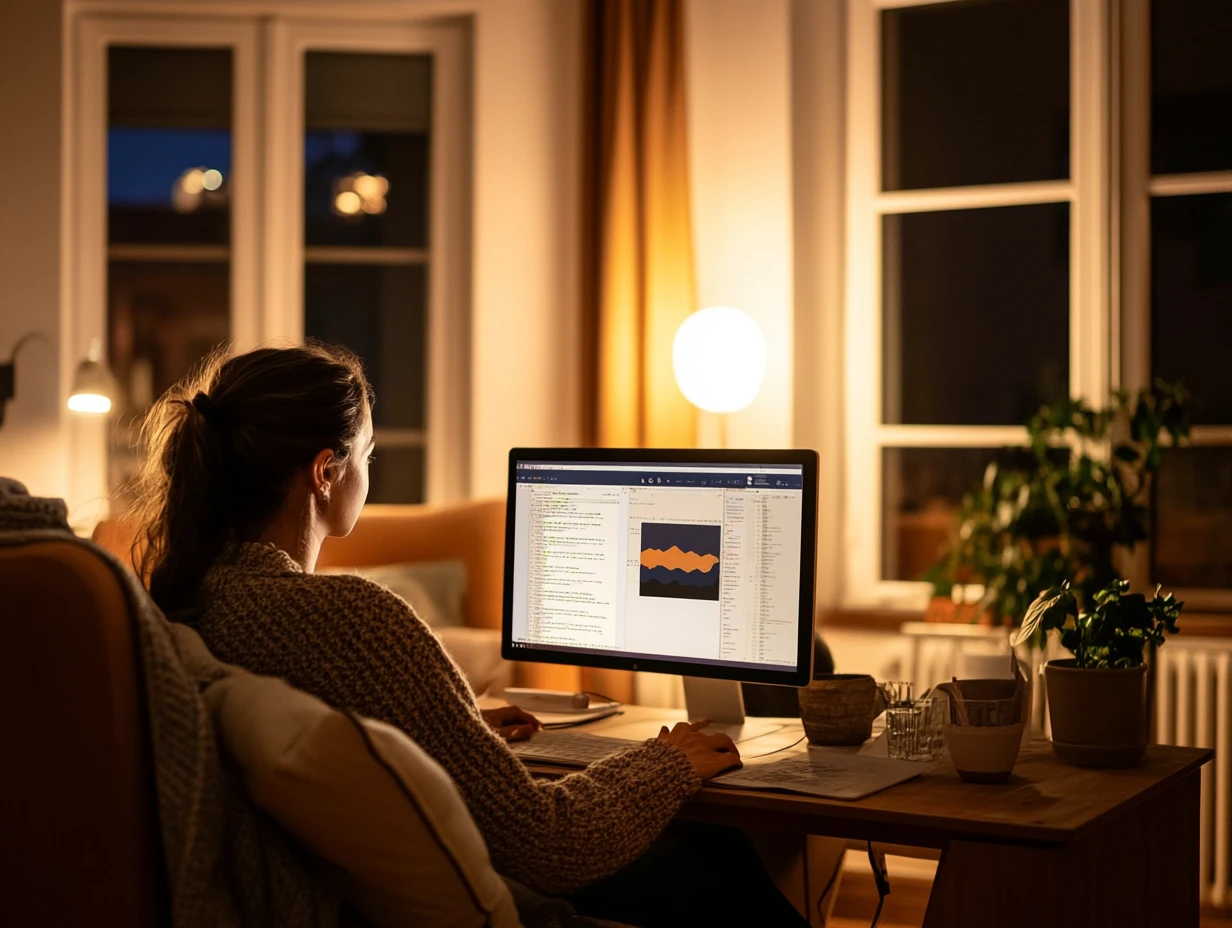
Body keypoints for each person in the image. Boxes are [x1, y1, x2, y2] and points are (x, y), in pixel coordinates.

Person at [131, 343, 810, 927]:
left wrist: (442, 721)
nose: (370, 473)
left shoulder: (183, 600)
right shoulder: (346, 619)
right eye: (367, 453)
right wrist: (666, 761)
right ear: (325, 471)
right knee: (708, 858)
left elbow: (321, 700)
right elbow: (549, 845)